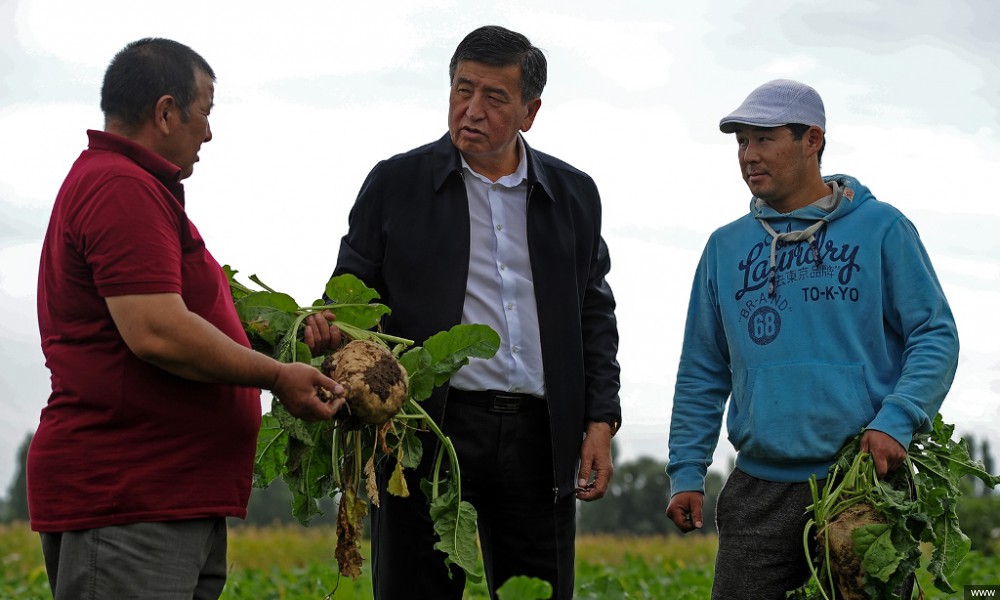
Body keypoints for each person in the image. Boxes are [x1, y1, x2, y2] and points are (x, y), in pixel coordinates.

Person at [28, 38, 346, 599]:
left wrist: (288, 344)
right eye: (205, 113)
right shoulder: (120, 186)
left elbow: (181, 323)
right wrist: (276, 378)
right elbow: (156, 330)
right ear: (166, 111)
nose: (209, 132)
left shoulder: (132, 186)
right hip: (130, 496)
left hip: (163, 496)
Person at [324, 24, 621, 600]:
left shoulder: (575, 194)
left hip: (541, 436)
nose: (472, 109)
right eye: (463, 90)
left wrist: (600, 421)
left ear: (530, 111)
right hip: (428, 428)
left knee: (536, 590)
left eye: (494, 97)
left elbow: (594, 314)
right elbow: (349, 296)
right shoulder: (396, 183)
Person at [664, 79, 959, 599]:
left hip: (861, 482)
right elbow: (703, 368)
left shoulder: (881, 229)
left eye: (764, 139)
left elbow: (934, 333)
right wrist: (688, 469)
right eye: (741, 142)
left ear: (812, 140)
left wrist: (897, 420)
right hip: (757, 489)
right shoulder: (725, 247)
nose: (748, 155)